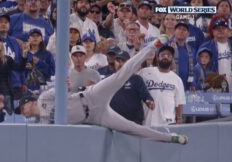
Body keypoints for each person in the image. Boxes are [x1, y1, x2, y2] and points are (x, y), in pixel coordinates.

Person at [14, 35, 189, 145]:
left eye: (23, 108)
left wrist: (64, 86)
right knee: (131, 128)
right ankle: (171, 138)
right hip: (95, 117)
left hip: (89, 97)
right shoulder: (41, 124)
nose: (24, 112)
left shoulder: (43, 98)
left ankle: (152, 46)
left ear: (28, 102)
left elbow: (62, 90)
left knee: (123, 74)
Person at [138, 45, 186, 127]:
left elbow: (179, 102)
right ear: (157, 58)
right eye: (163, 55)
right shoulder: (145, 72)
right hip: (148, 120)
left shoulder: (177, 79)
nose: (166, 57)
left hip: (168, 122)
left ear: (172, 59)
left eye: (169, 55)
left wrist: (179, 118)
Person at [110, 50, 154, 125]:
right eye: (117, 61)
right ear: (114, 62)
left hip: (133, 123)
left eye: (123, 61)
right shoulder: (108, 80)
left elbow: (146, 96)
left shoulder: (137, 79)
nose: (120, 63)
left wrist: (149, 101)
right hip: (113, 123)